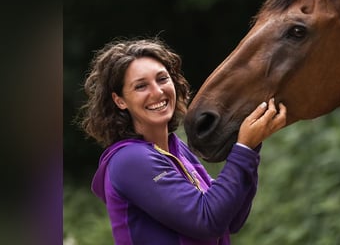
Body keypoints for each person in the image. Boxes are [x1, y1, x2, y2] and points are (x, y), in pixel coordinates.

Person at [78, 37, 286, 245]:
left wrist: (252, 145)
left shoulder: (177, 149)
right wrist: (244, 148)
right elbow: (207, 220)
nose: (158, 91)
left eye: (162, 79)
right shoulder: (130, 160)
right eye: (141, 86)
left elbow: (231, 219)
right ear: (120, 100)